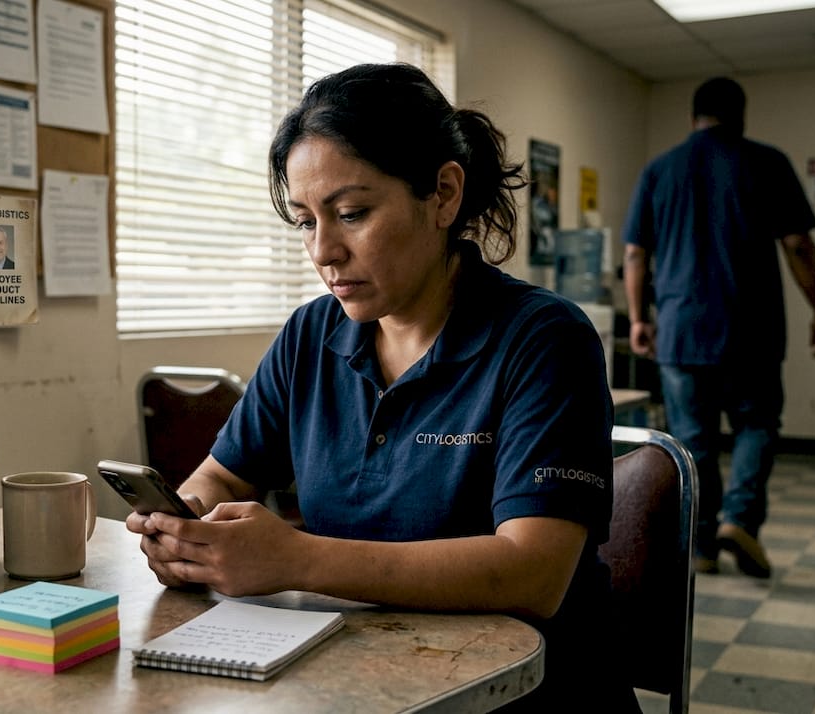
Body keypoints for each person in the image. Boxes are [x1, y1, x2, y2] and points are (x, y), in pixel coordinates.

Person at [125, 63, 637, 711]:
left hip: (522, 694)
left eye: (351, 213)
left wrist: (294, 559)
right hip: (357, 682)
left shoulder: (542, 339)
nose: (323, 251)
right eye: (306, 221)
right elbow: (221, 478)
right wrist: (190, 531)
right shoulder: (312, 335)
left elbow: (532, 573)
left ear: (444, 195)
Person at [622, 77, 815, 579]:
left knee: (693, 439)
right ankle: (739, 520)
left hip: (680, 328)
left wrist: (637, 318)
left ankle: (701, 544)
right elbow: (799, 245)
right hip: (752, 329)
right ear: (741, 115)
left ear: (693, 116)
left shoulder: (660, 169)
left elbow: (635, 253)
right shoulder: (767, 162)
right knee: (757, 426)